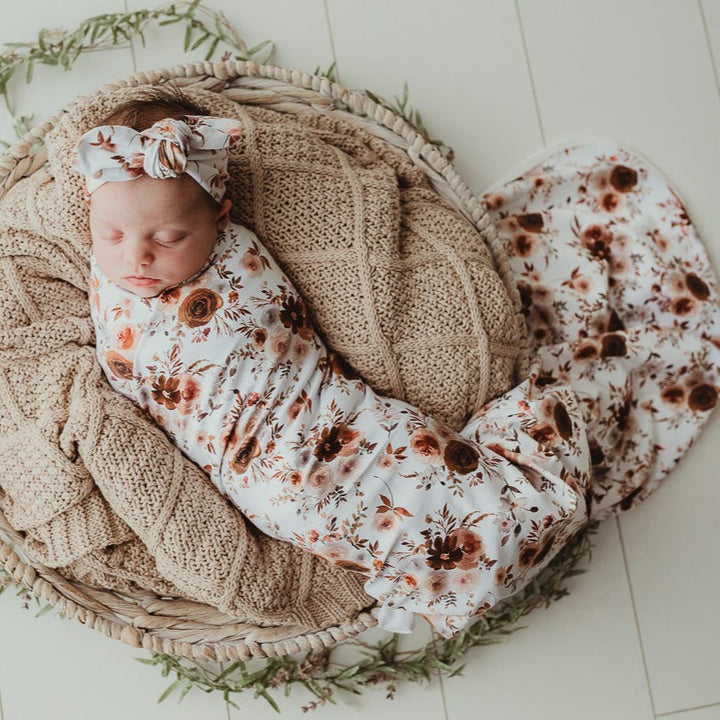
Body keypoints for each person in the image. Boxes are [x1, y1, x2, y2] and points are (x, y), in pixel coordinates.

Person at [74, 94, 720, 638]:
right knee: (380, 521)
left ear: (218, 219)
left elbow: (272, 329)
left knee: (434, 494)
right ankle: (448, 568)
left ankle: (490, 530)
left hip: (324, 427)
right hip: (258, 482)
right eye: (111, 235)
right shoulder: (105, 276)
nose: (137, 259)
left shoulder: (238, 258)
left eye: (167, 238)